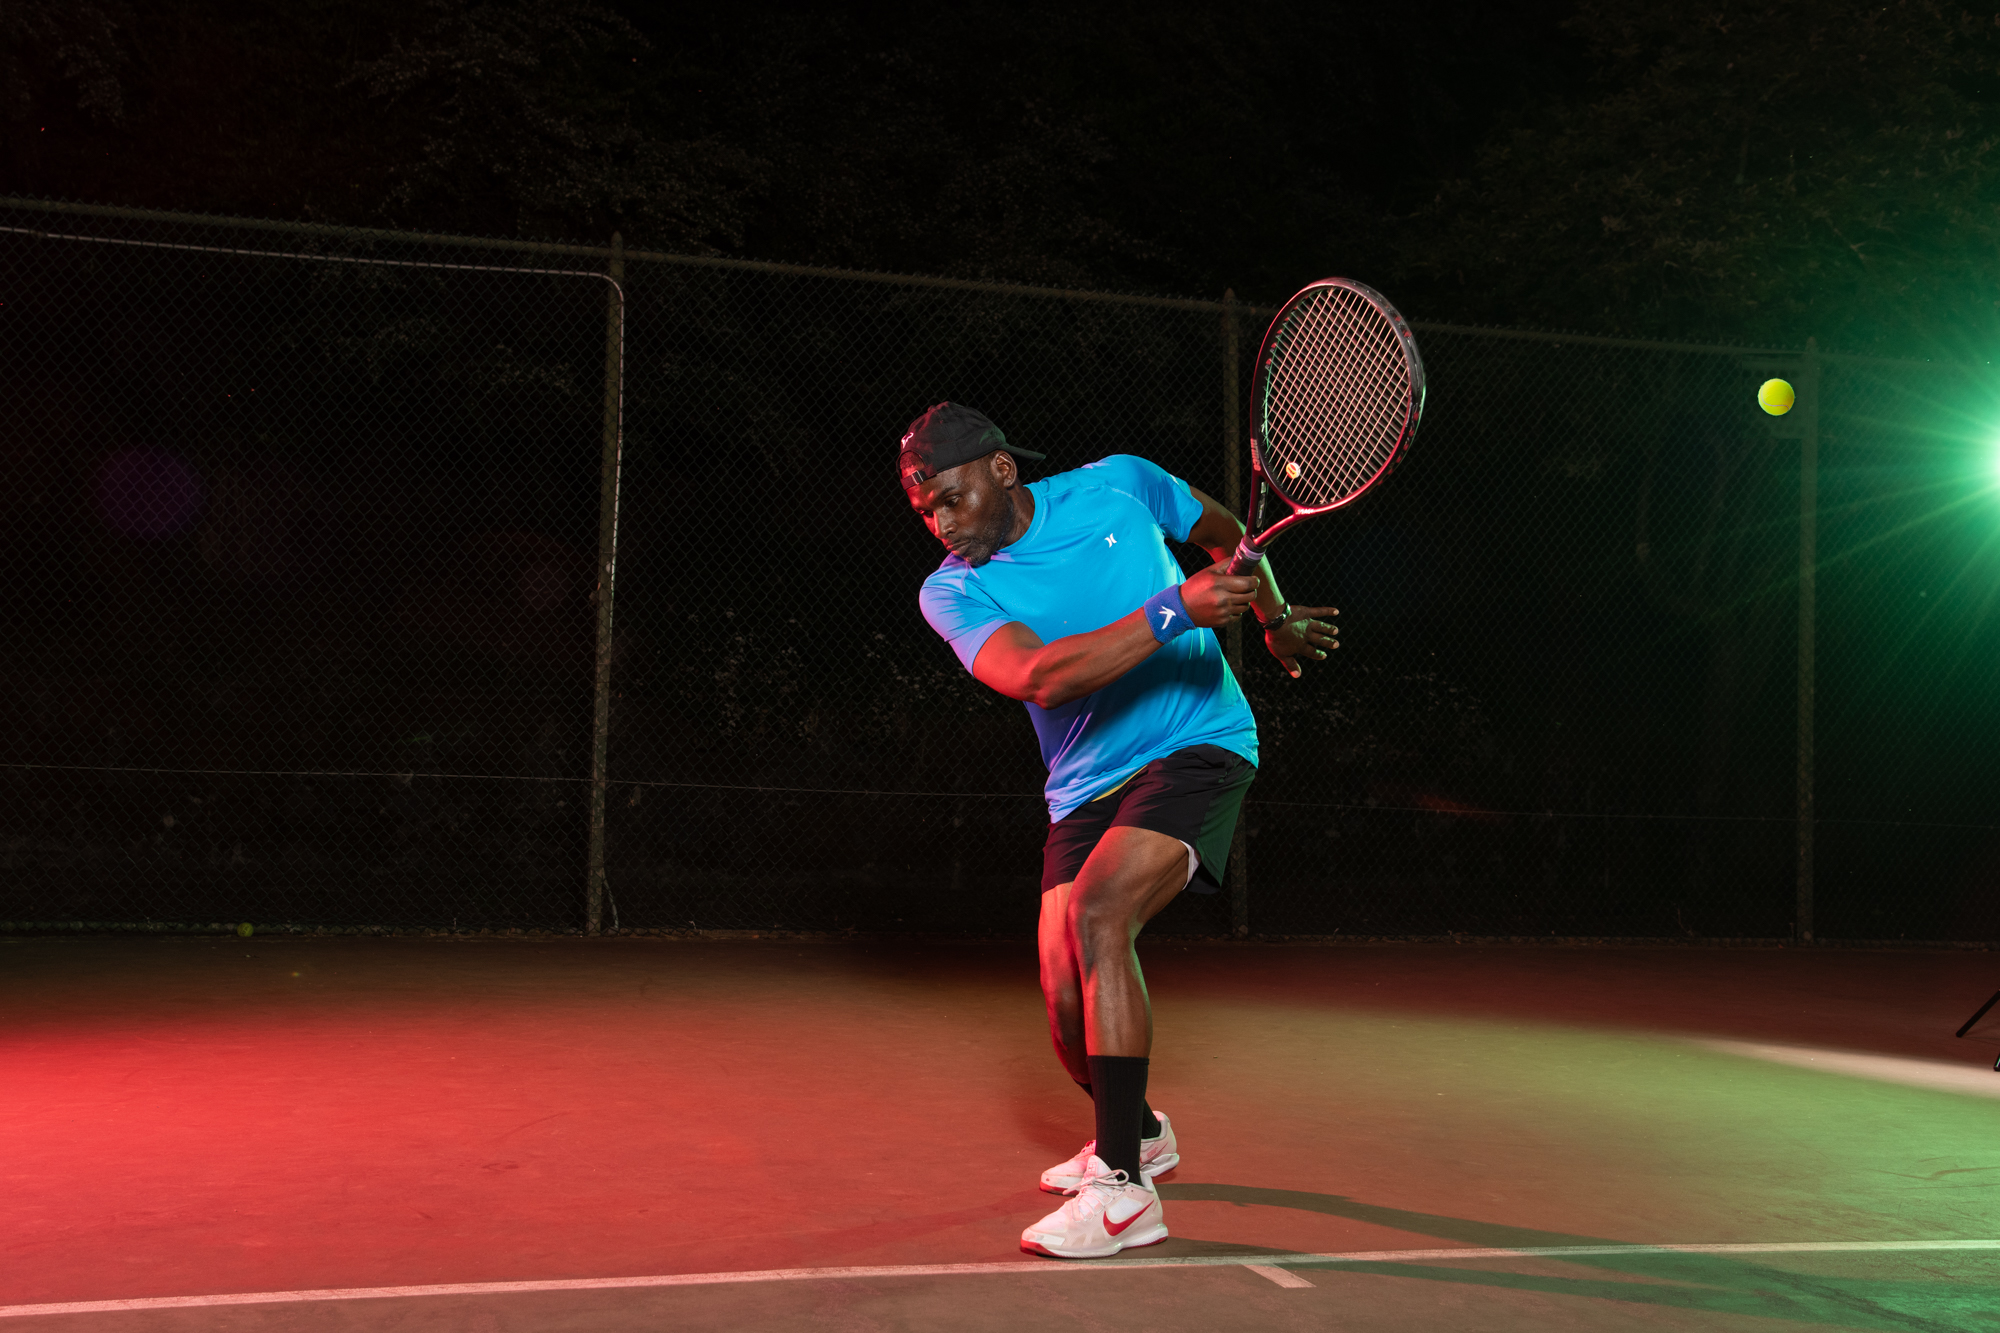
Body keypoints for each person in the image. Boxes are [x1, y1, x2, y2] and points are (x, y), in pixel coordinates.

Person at [902, 402, 1338, 1259]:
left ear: (999, 469)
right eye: (925, 512)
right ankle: (1137, 1130)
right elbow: (1039, 676)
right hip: (1084, 786)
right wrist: (1174, 610)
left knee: (1102, 914)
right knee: (1065, 999)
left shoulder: (1119, 486)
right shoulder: (953, 587)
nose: (942, 524)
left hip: (1195, 740)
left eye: (951, 497)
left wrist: (1272, 616)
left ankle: (1123, 1193)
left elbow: (1227, 535)